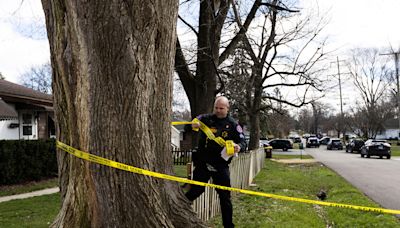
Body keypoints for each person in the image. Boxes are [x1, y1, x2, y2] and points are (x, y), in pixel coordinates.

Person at [185, 96, 246, 228]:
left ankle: (228, 226)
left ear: (227, 108)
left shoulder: (234, 125)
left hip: (221, 166)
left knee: (225, 198)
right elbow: (188, 127)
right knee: (195, 191)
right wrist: (192, 126)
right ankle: (179, 213)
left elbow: (243, 141)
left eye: (221, 108)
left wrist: (239, 147)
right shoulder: (206, 118)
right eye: (216, 108)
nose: (218, 111)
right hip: (203, 163)